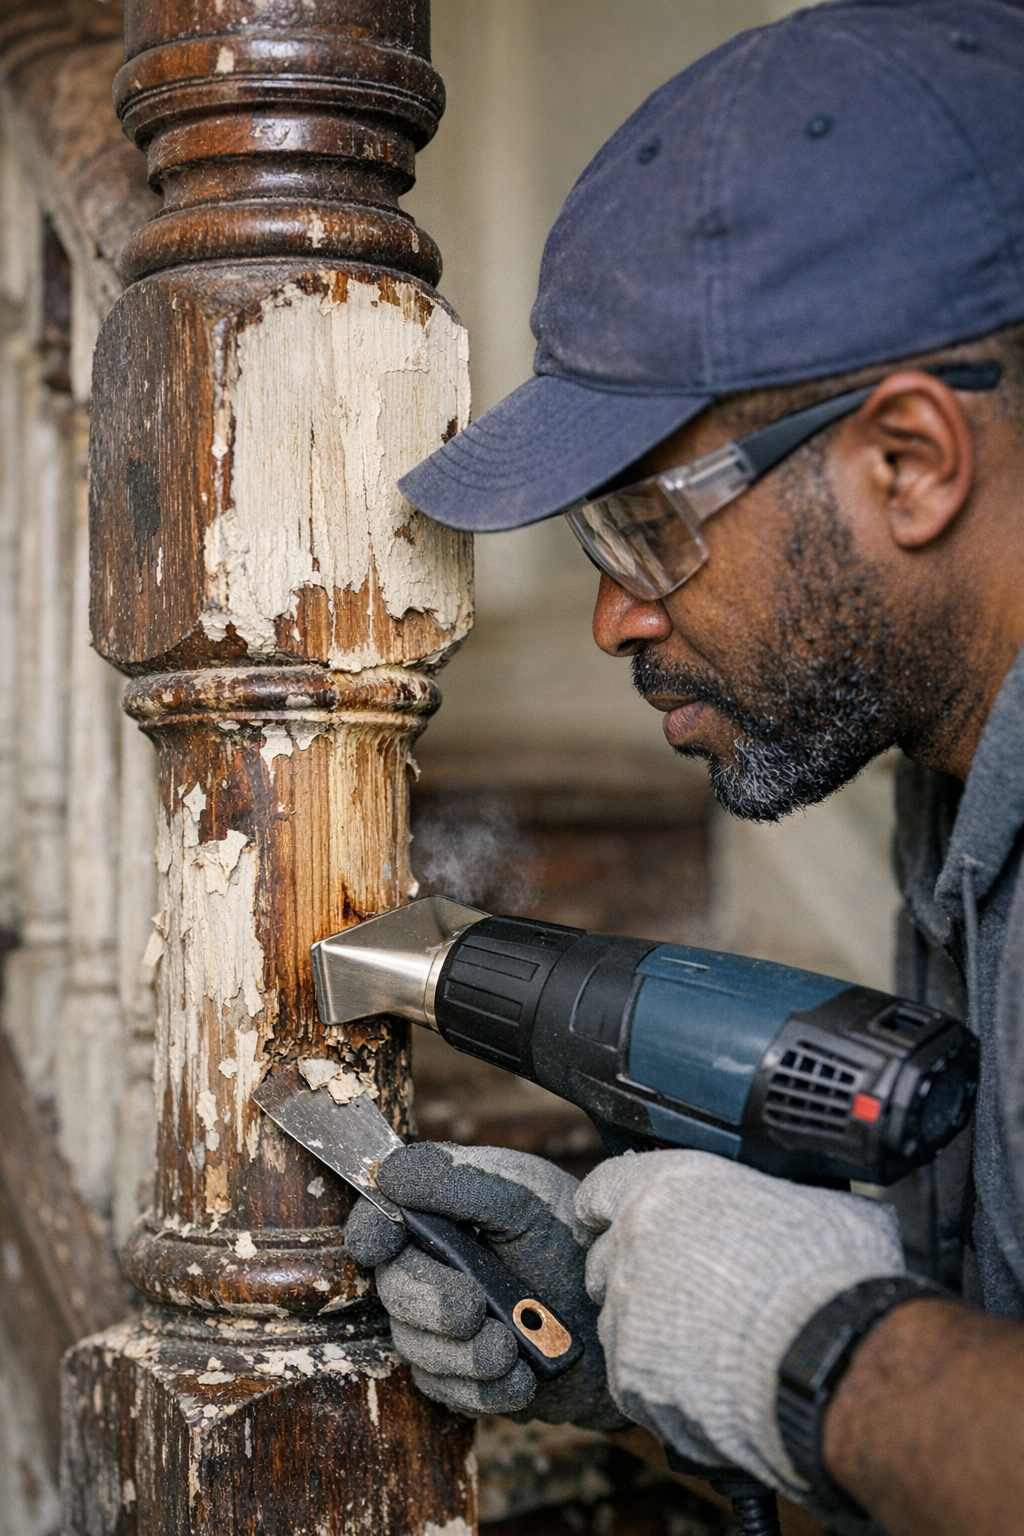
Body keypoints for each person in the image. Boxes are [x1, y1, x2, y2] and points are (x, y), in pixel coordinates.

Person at [345, 4, 1024, 1532]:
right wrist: (628, 1343)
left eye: (644, 526)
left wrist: (822, 1356)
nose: (614, 618)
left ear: (911, 461)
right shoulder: (955, 780)